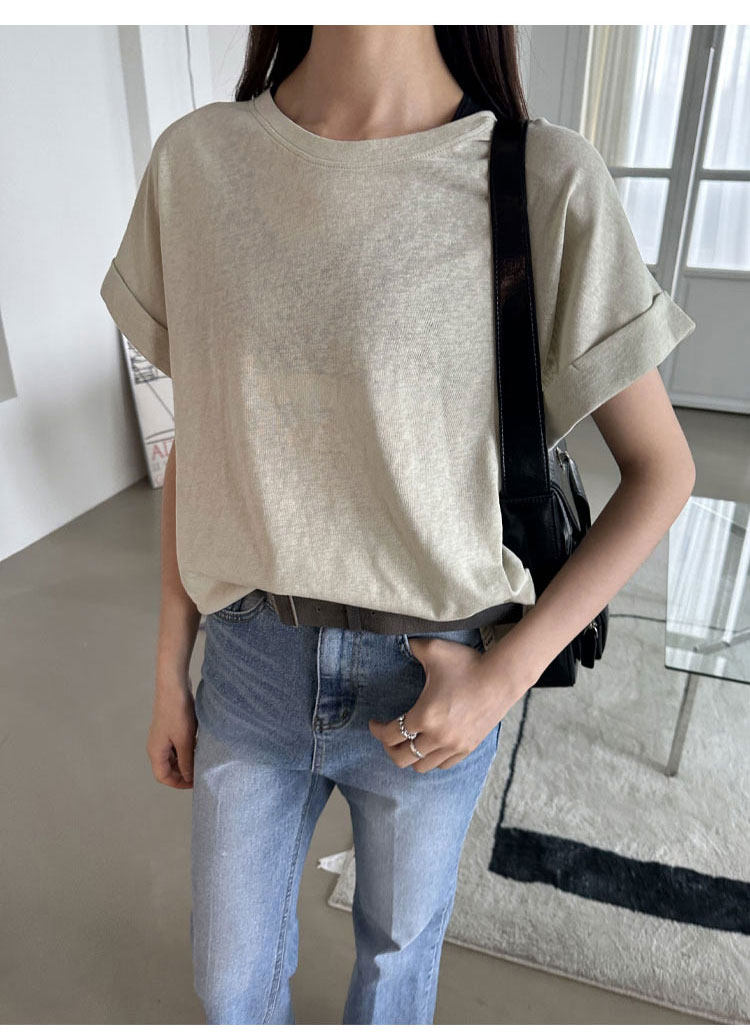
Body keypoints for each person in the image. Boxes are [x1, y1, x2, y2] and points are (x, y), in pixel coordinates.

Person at [100, 25, 697, 1025]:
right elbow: (202, 441)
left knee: (394, 975)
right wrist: (169, 668)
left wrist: (502, 682)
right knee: (229, 986)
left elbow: (663, 471)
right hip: (249, 666)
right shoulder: (197, 164)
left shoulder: (544, 179)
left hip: (438, 675)